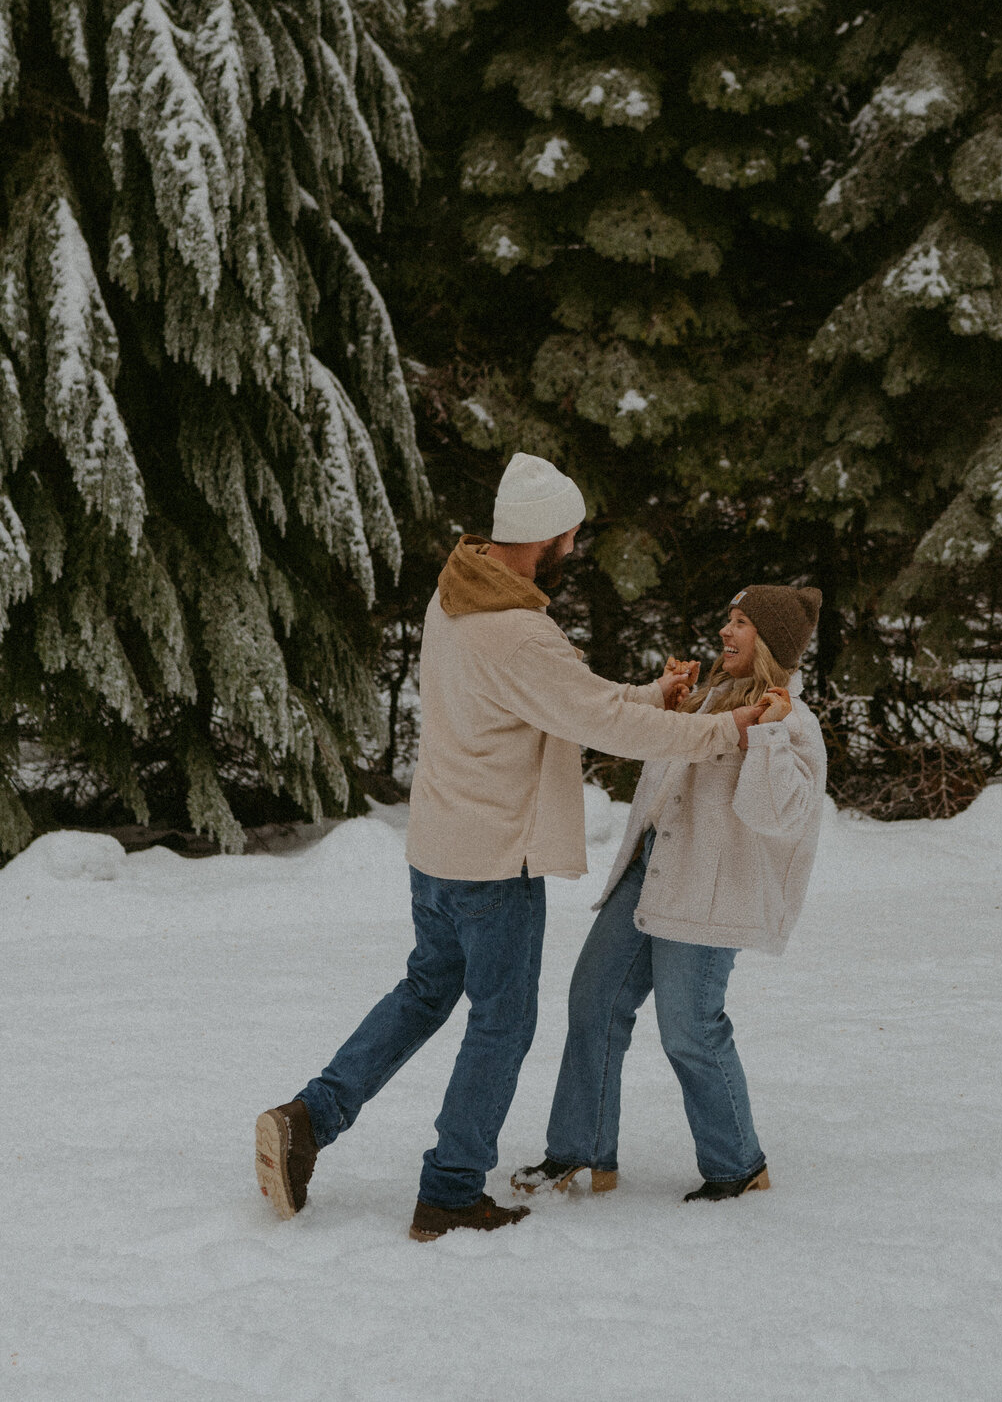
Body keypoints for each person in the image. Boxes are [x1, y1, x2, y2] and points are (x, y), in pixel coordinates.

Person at [254, 454, 766, 1241]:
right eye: (572, 535)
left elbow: (564, 704)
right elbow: (600, 722)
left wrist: (648, 695)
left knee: (424, 994)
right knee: (503, 1023)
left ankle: (309, 1118)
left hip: (436, 853)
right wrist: (723, 726)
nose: (574, 549)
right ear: (548, 535)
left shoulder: (455, 595)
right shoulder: (520, 631)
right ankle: (451, 1190)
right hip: (494, 867)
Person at [512, 584, 826, 1204]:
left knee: (689, 1029)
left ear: (771, 642)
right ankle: (580, 1151)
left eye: (740, 623)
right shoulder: (708, 699)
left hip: (712, 894)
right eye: (727, 619)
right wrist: (668, 704)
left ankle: (738, 1165)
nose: (725, 632)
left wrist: (765, 734)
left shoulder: (794, 720)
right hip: (650, 872)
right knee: (594, 1001)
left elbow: (780, 816)